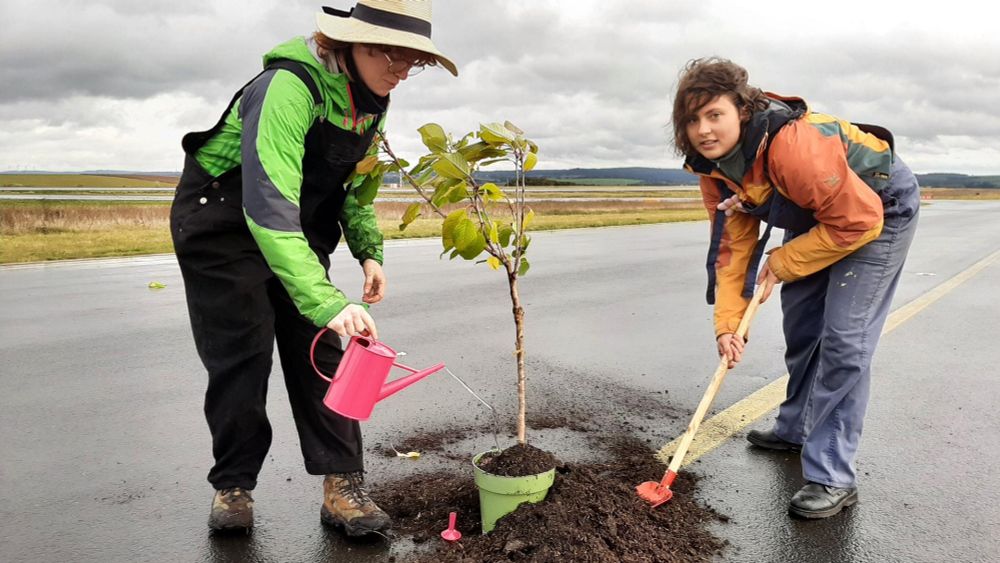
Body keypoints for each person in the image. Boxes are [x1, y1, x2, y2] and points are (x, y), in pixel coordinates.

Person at [170, 0, 458, 534]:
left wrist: (368, 250)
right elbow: (267, 202)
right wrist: (327, 300)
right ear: (347, 44)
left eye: (410, 61)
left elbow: (353, 188)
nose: (399, 72)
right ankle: (233, 487)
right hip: (225, 228)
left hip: (293, 232)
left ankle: (342, 486)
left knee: (325, 352)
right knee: (242, 355)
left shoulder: (372, 101)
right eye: (390, 55)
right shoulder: (286, 87)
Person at [671, 58, 919, 519]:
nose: (703, 129)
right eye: (691, 120)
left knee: (844, 342)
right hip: (819, 217)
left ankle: (832, 475)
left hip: (875, 213)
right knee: (803, 327)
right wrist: (728, 326)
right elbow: (731, 250)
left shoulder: (792, 147)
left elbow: (858, 221)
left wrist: (784, 260)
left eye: (713, 115)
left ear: (741, 111)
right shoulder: (712, 168)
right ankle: (795, 428)